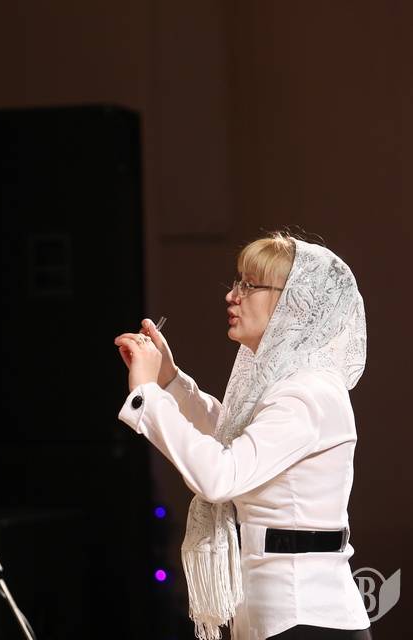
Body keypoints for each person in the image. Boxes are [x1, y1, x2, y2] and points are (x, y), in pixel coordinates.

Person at [114, 230, 373, 640]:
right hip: (273, 615)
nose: (232, 296)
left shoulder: (307, 392)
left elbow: (220, 476)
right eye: (238, 282)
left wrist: (148, 394)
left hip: (306, 617)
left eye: (250, 285)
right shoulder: (289, 383)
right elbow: (228, 435)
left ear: (294, 303)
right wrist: (168, 380)